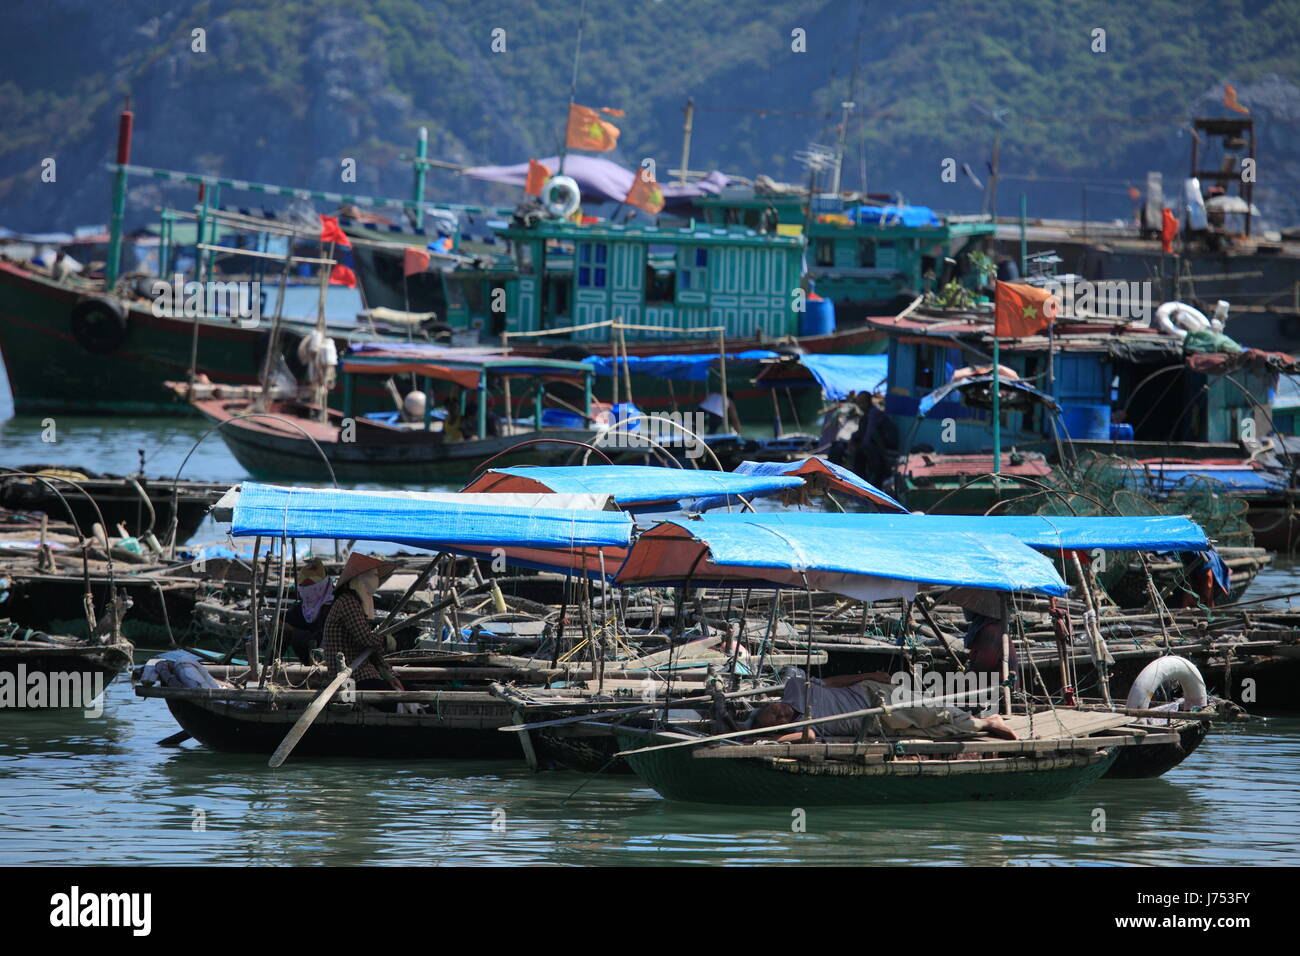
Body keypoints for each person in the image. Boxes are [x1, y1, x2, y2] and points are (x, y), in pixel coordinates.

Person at [751, 672, 1017, 741]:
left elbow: (831, 682)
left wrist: (868, 676)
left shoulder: (795, 687)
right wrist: (774, 738)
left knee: (933, 711)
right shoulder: (801, 727)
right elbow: (808, 736)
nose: (781, 712)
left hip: (872, 696)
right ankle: (984, 722)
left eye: (775, 709)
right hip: (877, 723)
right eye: (778, 719)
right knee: (934, 731)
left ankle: (982, 720)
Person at [321, 553, 399, 706]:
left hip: (362, 671)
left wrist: (386, 671)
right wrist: (385, 640)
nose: (377, 580)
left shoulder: (356, 602)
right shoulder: (348, 602)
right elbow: (365, 638)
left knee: (404, 690)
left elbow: (368, 644)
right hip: (349, 677)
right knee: (393, 702)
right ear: (360, 578)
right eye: (373, 575)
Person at [281, 558, 334, 664]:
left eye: (312, 587)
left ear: (322, 586)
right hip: (305, 657)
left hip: (328, 657)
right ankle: (270, 665)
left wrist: (294, 631)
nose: (308, 592)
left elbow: (322, 636)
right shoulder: (300, 608)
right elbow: (287, 617)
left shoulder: (333, 606)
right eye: (304, 587)